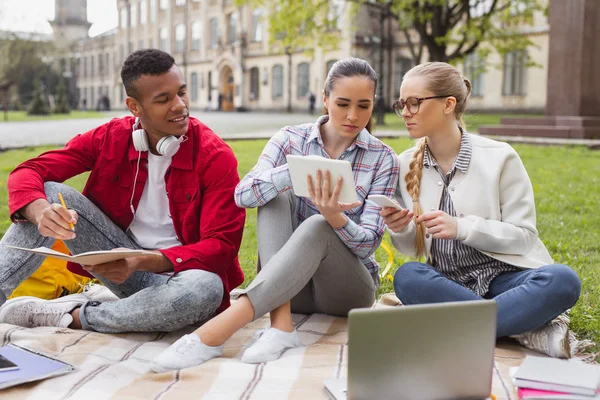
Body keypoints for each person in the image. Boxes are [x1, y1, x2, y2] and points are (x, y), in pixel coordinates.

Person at [150, 57, 400, 372]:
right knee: (272, 195)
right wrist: (294, 173)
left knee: (319, 224)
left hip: (347, 292)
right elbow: (242, 195)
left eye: (363, 106)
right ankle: (281, 327)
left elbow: (367, 246)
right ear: (324, 99)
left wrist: (334, 217)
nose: (353, 115)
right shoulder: (289, 139)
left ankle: (214, 334)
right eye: (343, 103)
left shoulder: (383, 159)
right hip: (291, 292)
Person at [0, 49, 246, 334]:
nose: (180, 106)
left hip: (177, 279)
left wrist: (143, 260)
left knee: (207, 289)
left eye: (181, 92)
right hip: (116, 263)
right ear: (135, 107)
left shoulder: (215, 156)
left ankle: (69, 316)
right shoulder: (111, 137)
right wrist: (39, 210)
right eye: (163, 99)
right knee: (48, 193)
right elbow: (29, 171)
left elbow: (222, 246)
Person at [381, 62, 581, 358]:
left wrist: (463, 228)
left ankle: (467, 325)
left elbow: (524, 236)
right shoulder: (404, 163)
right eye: (402, 104)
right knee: (408, 276)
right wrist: (400, 229)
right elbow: (415, 250)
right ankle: (523, 329)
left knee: (563, 281)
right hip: (446, 284)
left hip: (506, 282)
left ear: (448, 104)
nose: (406, 112)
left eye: (415, 102)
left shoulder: (500, 157)